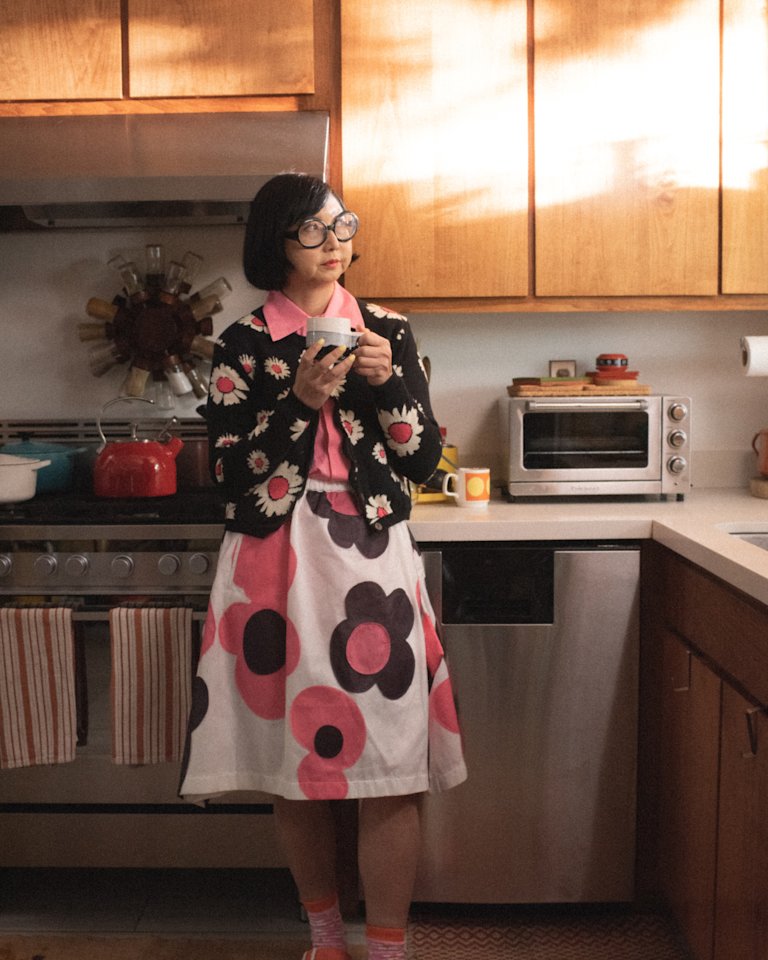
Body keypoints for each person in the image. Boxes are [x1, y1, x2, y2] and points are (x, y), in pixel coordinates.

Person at [179, 172, 467, 960]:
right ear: (276, 242)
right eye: (313, 231)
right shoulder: (242, 344)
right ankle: (325, 939)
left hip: (372, 553)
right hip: (275, 558)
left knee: (393, 758)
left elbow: (423, 461)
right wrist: (300, 402)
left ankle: (387, 949)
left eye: (342, 226)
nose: (334, 243)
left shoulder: (388, 332)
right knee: (292, 763)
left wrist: (390, 384)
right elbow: (233, 472)